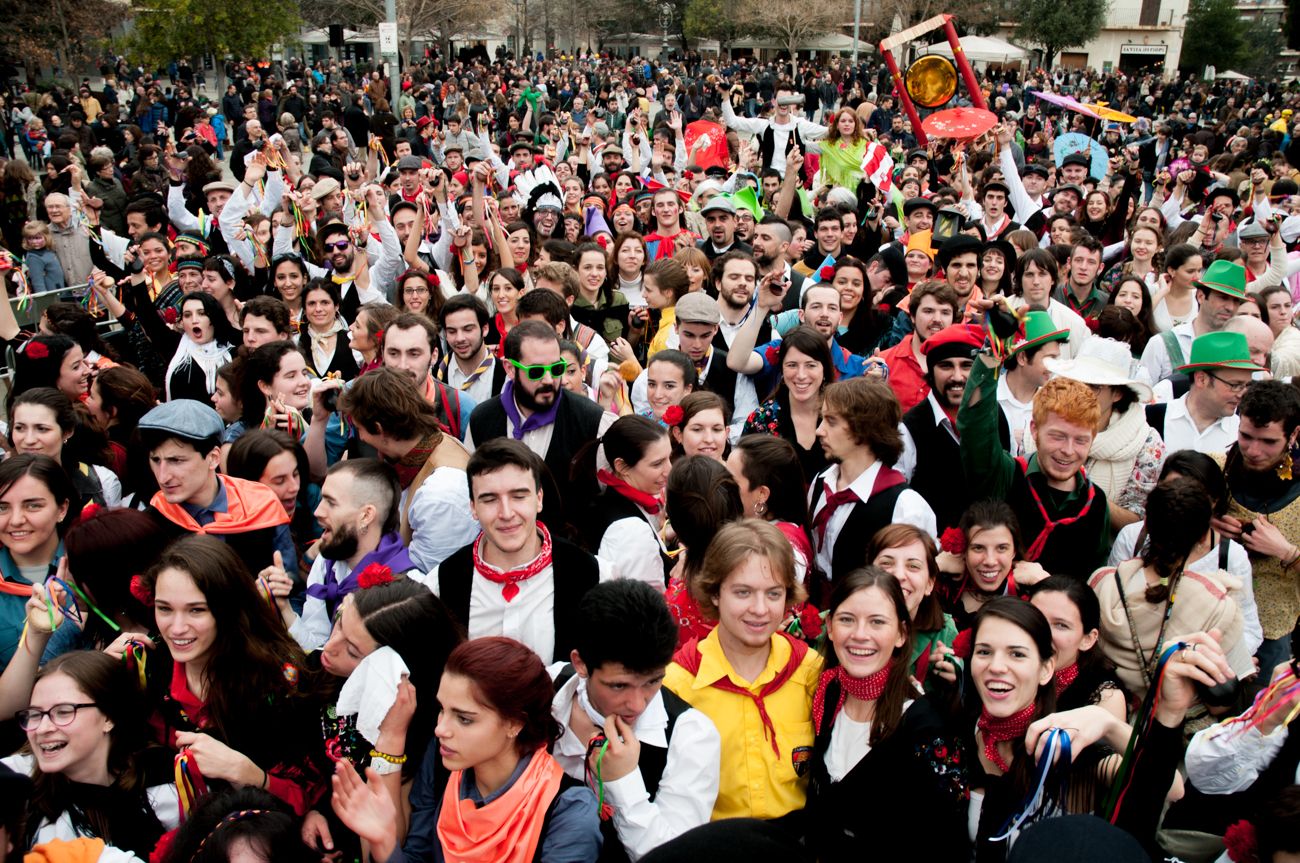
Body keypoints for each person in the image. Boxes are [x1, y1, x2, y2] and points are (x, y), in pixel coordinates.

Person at [962, 598, 1224, 862]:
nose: (996, 666)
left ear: (1045, 669)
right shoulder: (961, 729)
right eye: (984, 652)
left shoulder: (1065, 746)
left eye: (1017, 654)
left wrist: (1111, 725)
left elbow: (1172, 788)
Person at [330, 636, 603, 863]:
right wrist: (385, 842)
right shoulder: (442, 765)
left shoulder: (567, 809)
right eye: (442, 710)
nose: (440, 730)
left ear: (515, 723)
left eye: (464, 719)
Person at [136, 534, 330, 815]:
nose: (176, 628)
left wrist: (248, 774)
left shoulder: (277, 682)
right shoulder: (147, 669)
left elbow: (311, 797)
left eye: (196, 610)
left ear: (228, 609)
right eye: (164, 608)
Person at [663, 519, 822, 821]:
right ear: (714, 593)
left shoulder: (810, 672)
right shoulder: (679, 685)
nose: (760, 609)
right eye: (743, 593)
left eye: (773, 594)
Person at [552, 579, 721, 861]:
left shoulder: (690, 735)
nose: (638, 703)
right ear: (580, 664)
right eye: (619, 686)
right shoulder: (546, 690)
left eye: (653, 682)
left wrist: (623, 782)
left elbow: (673, 859)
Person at [804, 569, 967, 860]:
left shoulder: (926, 728)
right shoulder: (826, 696)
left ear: (902, 634)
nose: (860, 635)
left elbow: (949, 839)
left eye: (877, 622)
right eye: (846, 619)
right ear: (829, 626)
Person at [427, 439, 605, 664]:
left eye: (519, 496)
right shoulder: (441, 585)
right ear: (473, 507)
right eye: (490, 499)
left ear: (539, 499)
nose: (506, 513)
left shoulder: (594, 575)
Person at [959, 342, 1112, 580]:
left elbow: (1091, 578)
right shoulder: (1007, 474)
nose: (1068, 451)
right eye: (1057, 436)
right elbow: (975, 425)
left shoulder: (1096, 503)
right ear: (1034, 429)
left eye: (1080, 440)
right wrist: (992, 354)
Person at [3, 651, 178, 859]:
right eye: (35, 714)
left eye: (64, 711)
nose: (42, 728)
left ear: (109, 717)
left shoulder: (168, 782)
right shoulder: (13, 782)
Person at [466, 320, 612, 530]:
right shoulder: (482, 419)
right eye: (535, 371)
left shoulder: (592, 420)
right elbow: (472, 495)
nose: (548, 379)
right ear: (509, 368)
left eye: (556, 368)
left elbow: (613, 498)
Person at [335, 367, 479, 573]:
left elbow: (429, 578)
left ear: (379, 429)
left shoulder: (440, 492)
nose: (362, 438)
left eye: (359, 429)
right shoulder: (427, 445)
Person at [138, 399, 295, 576]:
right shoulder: (150, 523)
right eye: (156, 460)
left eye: (176, 461)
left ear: (213, 457)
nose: (163, 476)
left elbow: (293, 586)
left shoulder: (260, 504)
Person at [1208, 380, 1300, 680]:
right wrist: (1203, 524)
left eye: (1268, 441)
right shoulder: (1212, 469)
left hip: (1280, 635)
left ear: (1294, 434)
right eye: (1246, 436)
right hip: (1211, 626)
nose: (1254, 450)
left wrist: (1287, 552)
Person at [275, 458, 417, 651]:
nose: (318, 511)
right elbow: (317, 646)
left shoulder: (408, 587)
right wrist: (283, 607)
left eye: (331, 503)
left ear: (366, 516)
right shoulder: (326, 562)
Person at [809, 377, 936, 586]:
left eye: (831, 421)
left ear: (864, 429)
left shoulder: (905, 506)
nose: (819, 430)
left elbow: (912, 585)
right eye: (822, 419)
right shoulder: (821, 482)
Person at [1042, 337, 1165, 527]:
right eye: (1076, 382)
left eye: (1094, 387)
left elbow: (1136, 521)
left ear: (1117, 394)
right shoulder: (1044, 422)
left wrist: (1082, 491)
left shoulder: (1146, 443)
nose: (1081, 392)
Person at [903, 323, 1003, 533]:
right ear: (930, 371)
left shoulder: (996, 415)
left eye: (967, 366)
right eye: (946, 366)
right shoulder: (909, 428)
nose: (957, 377)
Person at [0, 455, 75, 672]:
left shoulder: (88, 568)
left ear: (62, 509)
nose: (15, 520)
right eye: (2, 507)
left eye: (32, 506)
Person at [867, 524, 959, 688]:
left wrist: (953, 672)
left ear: (930, 584)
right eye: (887, 563)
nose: (899, 575)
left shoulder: (944, 634)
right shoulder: (837, 622)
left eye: (913, 566)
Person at [1146, 332, 1261, 457]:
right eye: (1235, 385)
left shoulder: (1245, 429)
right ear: (1202, 379)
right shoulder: (1151, 418)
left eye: (1246, 386)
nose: (1242, 394)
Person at [1025, 576, 1127, 717]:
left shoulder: (1105, 700)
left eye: (1061, 625)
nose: (1042, 633)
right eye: (1035, 617)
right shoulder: (1001, 667)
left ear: (1087, 639)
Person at [741, 326, 834, 482]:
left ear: (824, 368)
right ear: (781, 370)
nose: (801, 375)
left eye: (811, 365)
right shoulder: (762, 419)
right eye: (792, 365)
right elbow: (745, 476)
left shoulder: (843, 415)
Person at [9, 387, 122, 507]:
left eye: (42, 429)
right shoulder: (4, 480)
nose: (29, 440)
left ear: (67, 431)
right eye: (19, 428)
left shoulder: (103, 482)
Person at [1141, 259, 1247, 385]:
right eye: (1223, 298)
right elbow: (1140, 398)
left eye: (1236, 301)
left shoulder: (1242, 348)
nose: (1230, 307)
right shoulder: (1162, 344)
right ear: (1201, 296)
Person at [876, 280, 958, 413]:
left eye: (945, 312)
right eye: (928, 311)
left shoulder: (964, 367)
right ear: (912, 316)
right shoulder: (883, 363)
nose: (937, 319)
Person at [997, 311, 1070, 456]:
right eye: (1049, 358)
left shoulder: (1057, 404)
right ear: (1022, 357)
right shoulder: (988, 398)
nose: (1054, 366)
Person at [437, 294, 506, 404]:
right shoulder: (436, 372)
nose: (459, 338)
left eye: (468, 329)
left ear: (485, 329)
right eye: (452, 331)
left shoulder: (505, 375)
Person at [668, 391, 729, 462]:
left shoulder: (738, 472)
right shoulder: (665, 472)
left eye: (717, 429)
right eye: (697, 429)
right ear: (678, 434)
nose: (708, 439)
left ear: (726, 433)